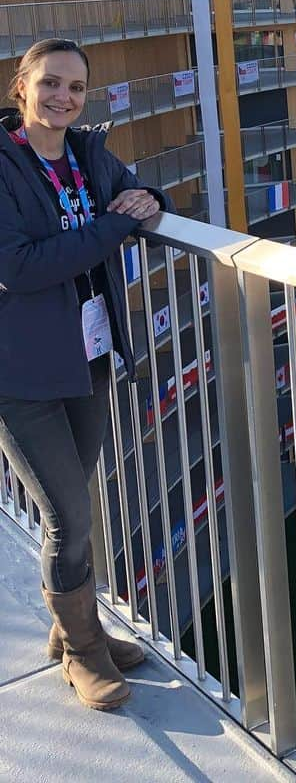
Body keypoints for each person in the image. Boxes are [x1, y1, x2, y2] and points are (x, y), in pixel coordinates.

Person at [0, 38, 170, 711]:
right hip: (20, 371)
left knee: (73, 508)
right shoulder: (5, 165)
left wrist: (144, 199)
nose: (62, 96)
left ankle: (75, 626)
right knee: (69, 518)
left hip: (88, 357)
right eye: (50, 83)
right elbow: (19, 266)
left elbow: (135, 193)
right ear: (22, 87)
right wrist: (111, 226)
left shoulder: (87, 153)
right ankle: (83, 653)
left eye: (74, 86)